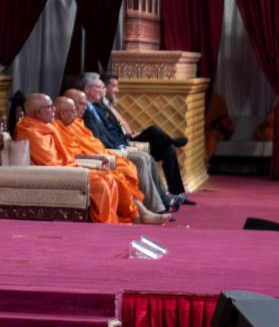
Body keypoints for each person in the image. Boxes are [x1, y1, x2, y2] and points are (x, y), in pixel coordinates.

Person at [15, 93, 135, 224]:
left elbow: (64, 154)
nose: (53, 110)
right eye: (50, 107)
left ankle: (112, 221)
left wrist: (82, 163)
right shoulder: (31, 131)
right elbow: (50, 163)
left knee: (109, 177)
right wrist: (77, 169)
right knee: (101, 184)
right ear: (38, 112)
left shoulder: (44, 126)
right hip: (57, 175)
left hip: (68, 169)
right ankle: (104, 223)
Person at [79, 73, 179, 212]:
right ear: (87, 89)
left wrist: (122, 143)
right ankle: (157, 206)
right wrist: (118, 147)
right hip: (107, 151)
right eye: (99, 87)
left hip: (116, 145)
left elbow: (113, 129)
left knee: (157, 153)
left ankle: (162, 199)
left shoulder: (98, 108)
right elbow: (96, 139)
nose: (80, 108)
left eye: (103, 87)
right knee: (143, 158)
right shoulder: (86, 114)